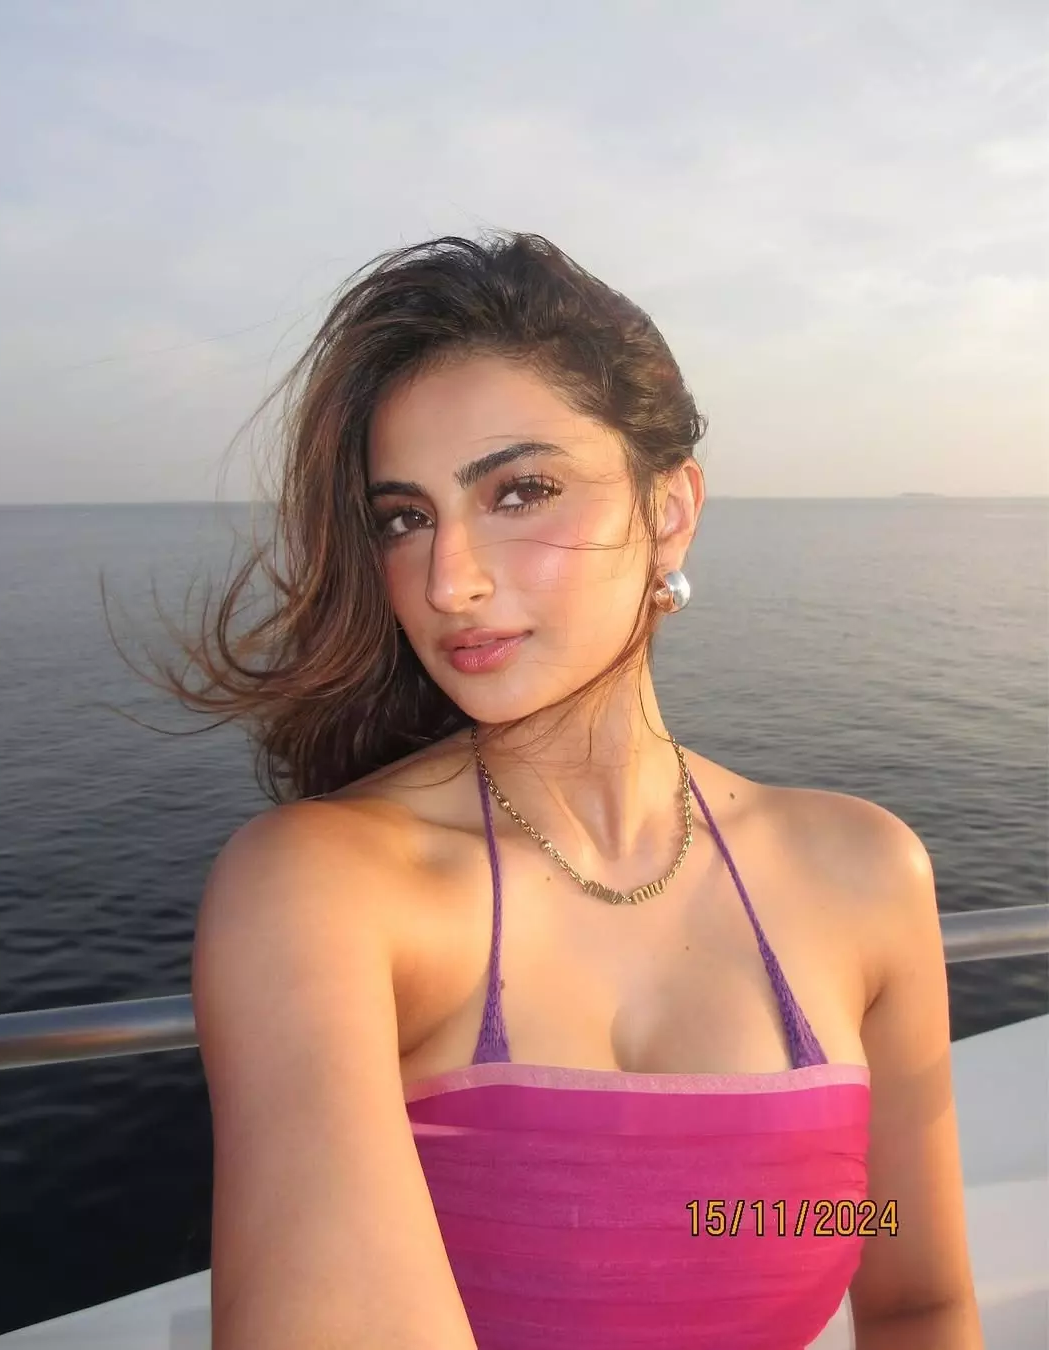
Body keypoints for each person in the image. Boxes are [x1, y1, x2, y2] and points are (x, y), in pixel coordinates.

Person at [176, 233, 980, 1348]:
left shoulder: (865, 872)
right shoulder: (324, 890)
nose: (449, 580)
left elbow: (915, 1299)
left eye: (521, 491)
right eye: (406, 517)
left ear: (670, 508)